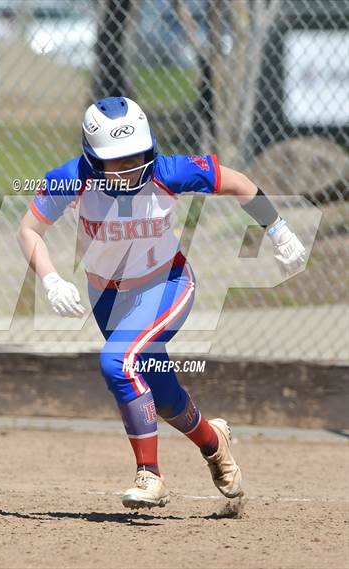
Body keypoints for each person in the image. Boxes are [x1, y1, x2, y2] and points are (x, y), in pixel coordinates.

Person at [17, 97, 305, 509]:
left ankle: (150, 476)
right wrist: (50, 280)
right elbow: (29, 229)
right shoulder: (72, 179)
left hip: (166, 285)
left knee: (116, 362)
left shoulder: (168, 171)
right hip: (108, 298)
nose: (131, 167)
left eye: (137, 155)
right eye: (117, 160)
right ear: (92, 158)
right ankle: (214, 442)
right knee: (164, 395)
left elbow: (240, 183)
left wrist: (280, 231)